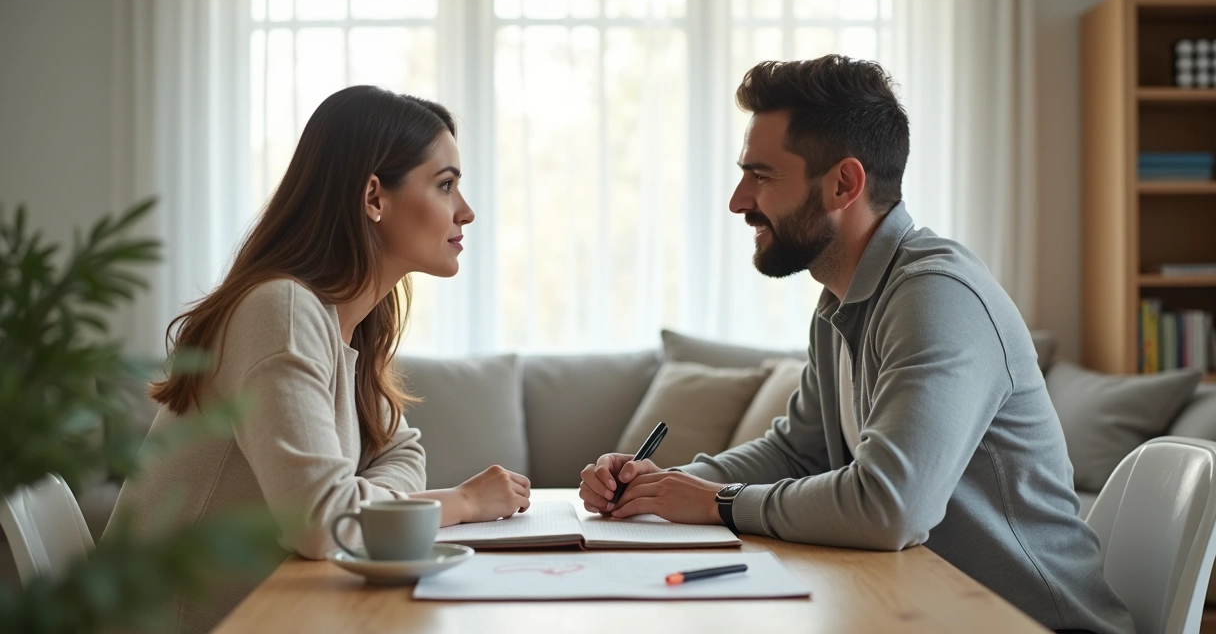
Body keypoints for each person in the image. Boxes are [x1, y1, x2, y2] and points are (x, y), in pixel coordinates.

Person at [578, 56, 1133, 634]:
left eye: (762, 176)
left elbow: (891, 508)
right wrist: (658, 486)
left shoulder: (935, 297)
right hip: (927, 611)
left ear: (844, 183)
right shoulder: (840, 301)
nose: (739, 200)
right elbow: (800, 451)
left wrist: (716, 500)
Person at [106, 86, 531, 633]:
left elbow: (402, 451)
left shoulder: (341, 323)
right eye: (445, 185)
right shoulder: (281, 310)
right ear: (374, 197)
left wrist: (363, 505)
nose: (466, 212)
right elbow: (321, 522)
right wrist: (463, 502)